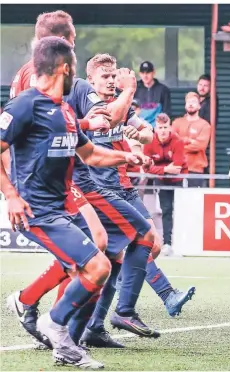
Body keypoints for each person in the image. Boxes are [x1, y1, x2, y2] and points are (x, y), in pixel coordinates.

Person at [0, 36, 149, 369]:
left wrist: (128, 158)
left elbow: (91, 154)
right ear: (63, 68)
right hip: (38, 209)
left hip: (63, 205)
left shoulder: (64, 110)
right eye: (73, 66)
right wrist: (10, 195)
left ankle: (57, 328)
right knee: (98, 266)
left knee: (103, 257)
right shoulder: (25, 104)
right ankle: (55, 325)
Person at [80, 55, 195, 348]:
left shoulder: (121, 104)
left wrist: (139, 135)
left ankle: (93, 325)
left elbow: (146, 131)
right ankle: (137, 305)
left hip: (123, 186)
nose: (109, 80)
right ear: (89, 79)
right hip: (100, 190)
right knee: (134, 247)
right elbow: (104, 129)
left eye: (112, 75)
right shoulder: (87, 103)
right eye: (103, 76)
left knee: (132, 253)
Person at [143, 113, 188, 252]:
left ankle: (182, 243)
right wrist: (165, 169)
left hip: (178, 180)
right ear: (155, 128)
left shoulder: (177, 141)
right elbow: (146, 168)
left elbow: (177, 168)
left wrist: (157, 169)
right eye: (160, 127)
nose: (162, 130)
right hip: (162, 181)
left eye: (165, 127)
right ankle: (167, 243)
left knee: (181, 212)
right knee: (166, 210)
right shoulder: (149, 142)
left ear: (170, 127)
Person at [172, 92, 211, 188]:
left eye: (193, 102)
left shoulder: (204, 125)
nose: (190, 104)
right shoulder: (177, 122)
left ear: (199, 106)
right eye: (188, 102)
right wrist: (189, 140)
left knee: (193, 201)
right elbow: (172, 143)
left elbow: (200, 145)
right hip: (177, 168)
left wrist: (180, 144)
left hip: (195, 169)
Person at [134, 60, 172, 126]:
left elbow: (166, 113)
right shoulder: (135, 88)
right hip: (139, 127)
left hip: (157, 127)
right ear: (139, 74)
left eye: (148, 72)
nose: (145, 75)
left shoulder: (163, 90)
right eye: (143, 73)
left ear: (153, 72)